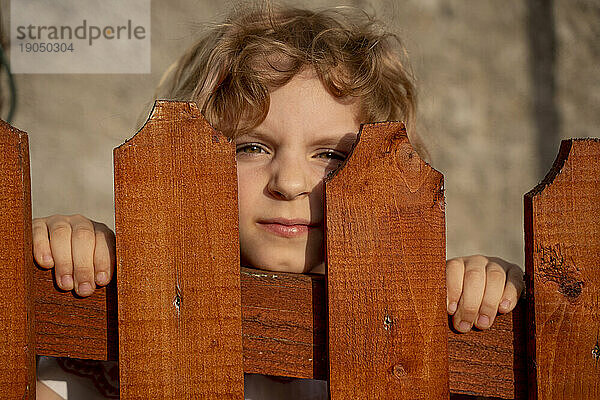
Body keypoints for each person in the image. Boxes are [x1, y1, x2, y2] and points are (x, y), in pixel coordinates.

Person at [32, 2, 524, 399]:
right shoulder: (126, 330)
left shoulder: (415, 329)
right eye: (252, 147)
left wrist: (489, 297)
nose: (289, 183)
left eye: (331, 154)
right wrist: (49, 266)